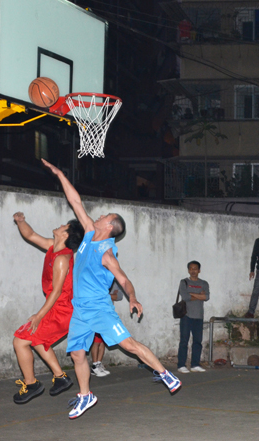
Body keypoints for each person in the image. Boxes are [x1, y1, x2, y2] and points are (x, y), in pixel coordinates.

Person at [42, 159, 181, 419]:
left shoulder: (106, 252)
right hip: (80, 309)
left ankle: (165, 374)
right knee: (77, 354)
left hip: (99, 308)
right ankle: (86, 395)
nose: (99, 216)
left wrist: (133, 298)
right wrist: (60, 173)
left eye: (105, 216)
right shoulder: (87, 233)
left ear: (109, 227)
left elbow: (123, 279)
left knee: (129, 345)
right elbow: (75, 201)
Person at [11, 212, 83, 404]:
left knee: (20, 341)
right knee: (37, 340)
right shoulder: (53, 246)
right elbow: (30, 235)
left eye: (64, 226)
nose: (60, 225)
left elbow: (56, 291)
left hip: (62, 311)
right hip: (57, 308)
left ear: (66, 235)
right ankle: (60, 377)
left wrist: (38, 315)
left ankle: (31, 384)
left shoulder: (62, 259)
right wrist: (21, 221)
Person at [176, 261, 209, 374]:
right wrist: (199, 295)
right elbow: (185, 297)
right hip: (186, 316)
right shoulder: (184, 282)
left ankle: (195, 364)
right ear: (188, 270)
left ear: (199, 270)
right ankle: (181, 365)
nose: (193, 270)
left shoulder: (204, 283)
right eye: (191, 268)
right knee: (184, 341)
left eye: (195, 268)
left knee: (197, 342)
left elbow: (206, 297)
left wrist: (191, 294)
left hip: (199, 316)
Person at [90, 280, 124, 377]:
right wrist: (110, 295)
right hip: (97, 313)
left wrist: (106, 295)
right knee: (96, 341)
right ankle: (94, 365)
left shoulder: (114, 282)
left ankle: (99, 364)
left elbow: (118, 296)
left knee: (103, 342)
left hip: (108, 314)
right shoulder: (97, 280)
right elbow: (96, 296)